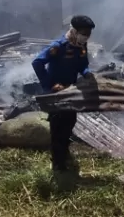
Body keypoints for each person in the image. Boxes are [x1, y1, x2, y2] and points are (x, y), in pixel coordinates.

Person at [31, 15, 96, 174]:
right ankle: (57, 164)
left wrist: (87, 73)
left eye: (88, 33)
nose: (86, 36)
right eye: (83, 32)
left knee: (69, 122)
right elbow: (37, 63)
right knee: (57, 126)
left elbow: (82, 64)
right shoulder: (58, 46)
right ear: (74, 30)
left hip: (70, 91)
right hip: (55, 93)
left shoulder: (81, 45)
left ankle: (64, 152)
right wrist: (50, 85)